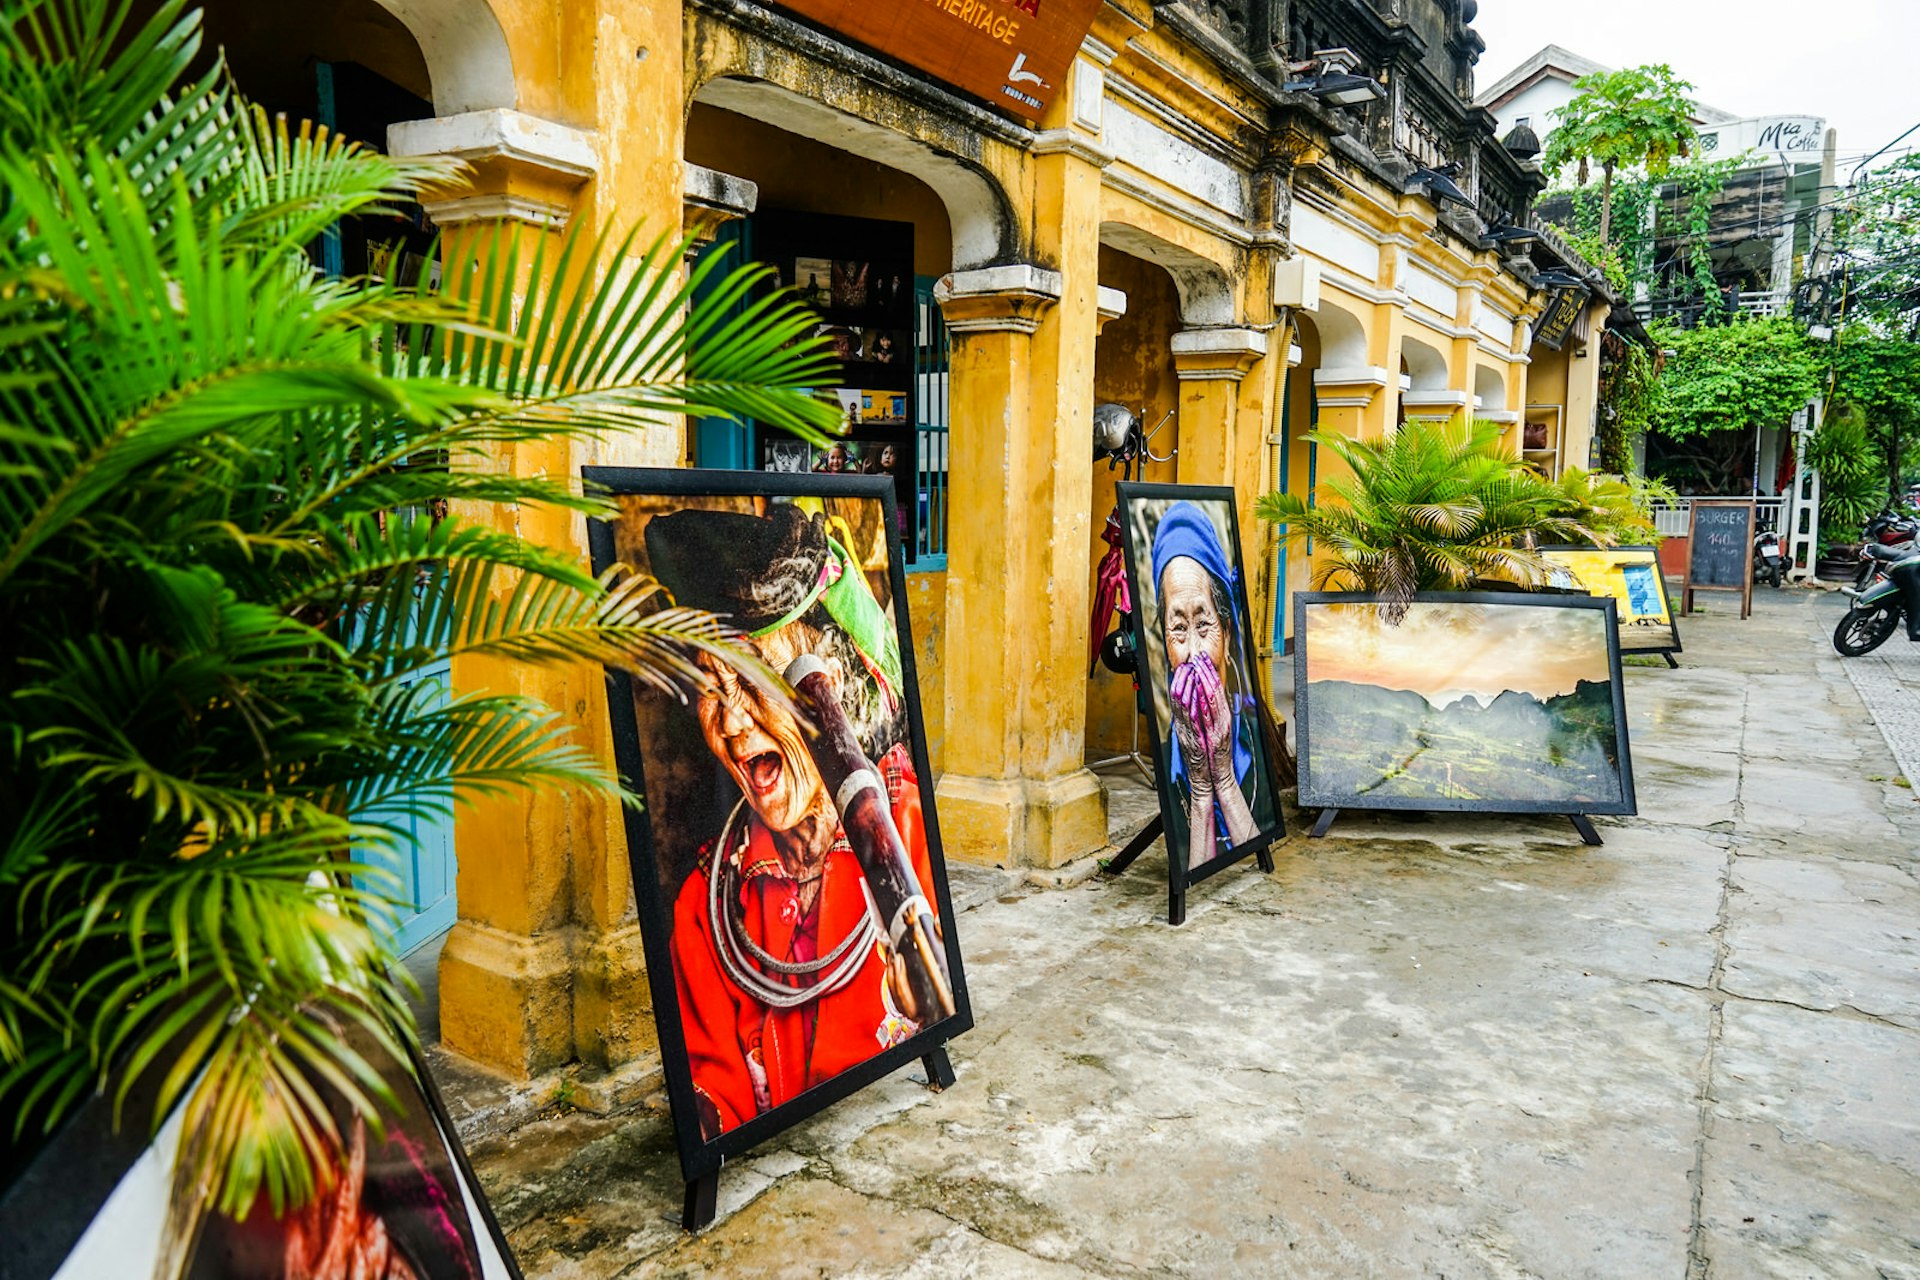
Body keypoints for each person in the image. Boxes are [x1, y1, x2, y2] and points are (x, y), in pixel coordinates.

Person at [644, 504, 938, 1141]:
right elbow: (712, 1089)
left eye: (753, 684)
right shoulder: (706, 906)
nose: (729, 722)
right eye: (711, 689)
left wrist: (917, 1011)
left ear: (830, 689)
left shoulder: (909, 832)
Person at [1149, 502, 1263, 866]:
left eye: (1204, 624)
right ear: (1165, 645)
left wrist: (1224, 780)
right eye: (1179, 628)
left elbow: (1256, 875)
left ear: (1226, 633)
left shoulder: (1260, 747)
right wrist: (1200, 788)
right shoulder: (1166, 768)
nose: (1195, 652)